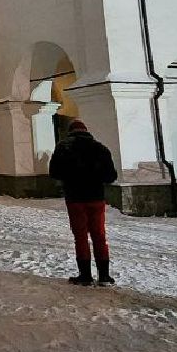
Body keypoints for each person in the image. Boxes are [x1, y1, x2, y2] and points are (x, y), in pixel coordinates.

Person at [48, 118, 119, 286]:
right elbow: (111, 176)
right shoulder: (100, 148)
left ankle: (85, 275)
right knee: (99, 235)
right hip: (96, 197)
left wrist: (70, 177)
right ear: (86, 131)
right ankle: (104, 276)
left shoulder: (63, 148)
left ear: (70, 132)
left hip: (75, 198)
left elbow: (54, 172)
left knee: (80, 236)